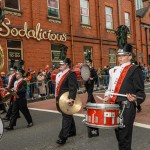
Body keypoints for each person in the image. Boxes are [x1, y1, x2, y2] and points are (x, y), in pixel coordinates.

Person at [104, 43, 146, 150]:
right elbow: (109, 89)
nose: (120, 57)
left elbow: (141, 93)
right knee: (119, 134)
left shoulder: (134, 70)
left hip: (126, 106)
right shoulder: (113, 70)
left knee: (124, 137)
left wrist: (135, 98)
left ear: (130, 56)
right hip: (114, 106)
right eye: (119, 55)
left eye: (123, 55)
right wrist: (107, 96)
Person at [55, 58, 78, 145]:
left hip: (66, 99)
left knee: (66, 117)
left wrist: (71, 99)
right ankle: (72, 131)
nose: (60, 65)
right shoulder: (60, 74)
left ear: (67, 65)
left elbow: (73, 87)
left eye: (62, 64)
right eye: (60, 64)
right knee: (67, 114)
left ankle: (63, 137)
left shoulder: (71, 74)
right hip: (60, 98)